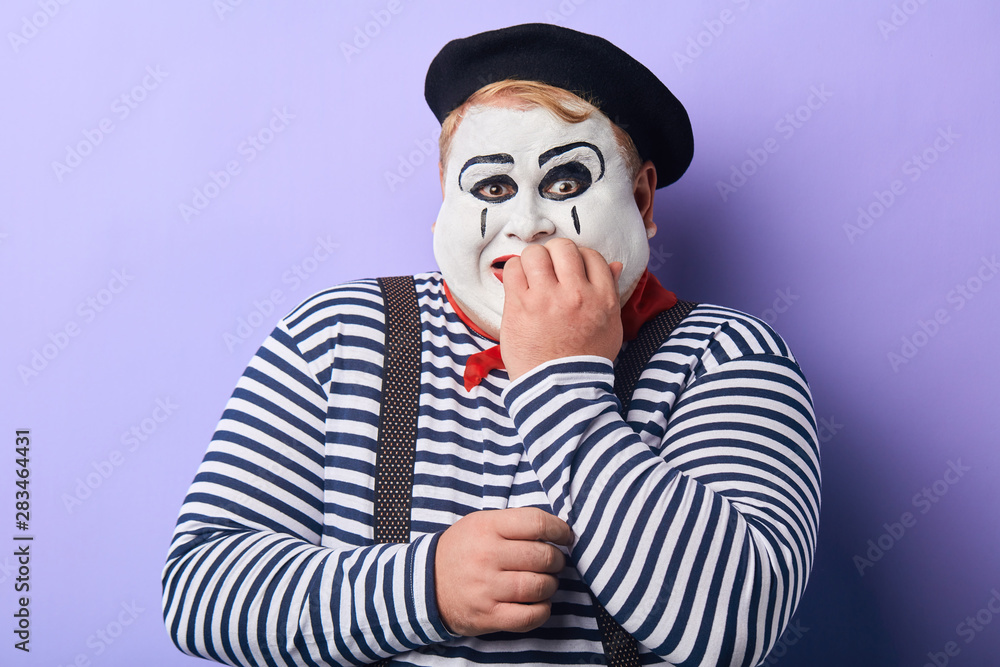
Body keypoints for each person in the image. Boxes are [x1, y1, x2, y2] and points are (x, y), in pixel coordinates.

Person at [162, 23, 820, 666]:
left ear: (642, 198)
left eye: (564, 184)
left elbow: (736, 627)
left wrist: (561, 380)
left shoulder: (727, 357)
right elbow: (200, 591)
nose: (529, 224)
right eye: (494, 188)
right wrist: (427, 588)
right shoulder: (337, 336)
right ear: (446, 202)